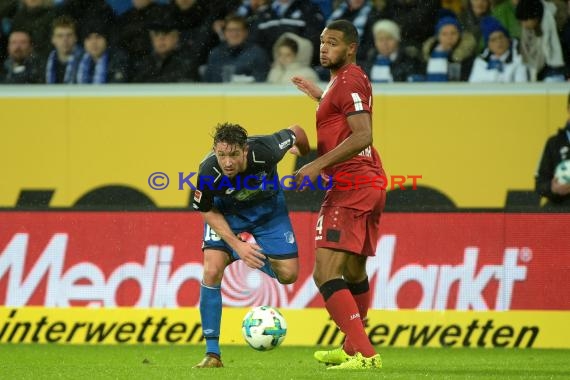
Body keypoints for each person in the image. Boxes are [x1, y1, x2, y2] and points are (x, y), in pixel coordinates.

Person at [291, 19, 384, 370]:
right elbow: (345, 120)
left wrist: (316, 165)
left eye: (332, 42)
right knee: (355, 271)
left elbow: (363, 136)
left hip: (351, 185)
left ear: (351, 48)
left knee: (325, 273)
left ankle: (366, 354)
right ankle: (351, 347)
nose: (324, 47)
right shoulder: (339, 84)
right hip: (368, 183)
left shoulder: (349, 79)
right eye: (322, 42)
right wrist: (320, 97)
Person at [191, 122, 309, 368]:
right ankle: (212, 354)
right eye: (221, 155)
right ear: (215, 151)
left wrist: (304, 152)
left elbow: (296, 131)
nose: (228, 162)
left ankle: (236, 251)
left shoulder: (266, 150)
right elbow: (206, 210)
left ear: (245, 150)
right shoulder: (207, 172)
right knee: (212, 270)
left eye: (234, 154)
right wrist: (238, 244)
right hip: (226, 216)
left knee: (288, 275)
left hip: (268, 213)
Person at [203, 15, 269, 83]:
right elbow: (207, 81)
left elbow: (261, 83)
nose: (234, 34)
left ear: (246, 32)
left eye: (238, 30)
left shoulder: (258, 54)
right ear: (225, 33)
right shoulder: (215, 53)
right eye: (230, 30)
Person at [516, 0, 566, 81]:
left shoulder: (561, 30)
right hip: (539, 70)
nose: (524, 25)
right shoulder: (528, 31)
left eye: (526, 20)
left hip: (557, 69)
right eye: (521, 22)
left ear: (536, 18)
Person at [535, 92, 570, 208]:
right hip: (559, 213)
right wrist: (553, 188)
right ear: (568, 109)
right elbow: (540, 184)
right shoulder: (553, 143)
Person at [468, 15, 528, 82]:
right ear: (488, 45)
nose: (499, 42)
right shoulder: (480, 61)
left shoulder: (518, 59)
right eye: (493, 40)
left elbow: (521, 85)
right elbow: (473, 85)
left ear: (508, 39)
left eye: (501, 37)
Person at [422, 15, 477, 81]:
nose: (449, 37)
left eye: (453, 33)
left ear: (459, 35)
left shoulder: (468, 58)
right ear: (438, 36)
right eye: (444, 34)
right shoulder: (428, 55)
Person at [45, 15, 83, 84]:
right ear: (53, 39)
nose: (65, 40)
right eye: (60, 36)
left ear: (76, 38)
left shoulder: (85, 61)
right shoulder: (44, 62)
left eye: (69, 35)